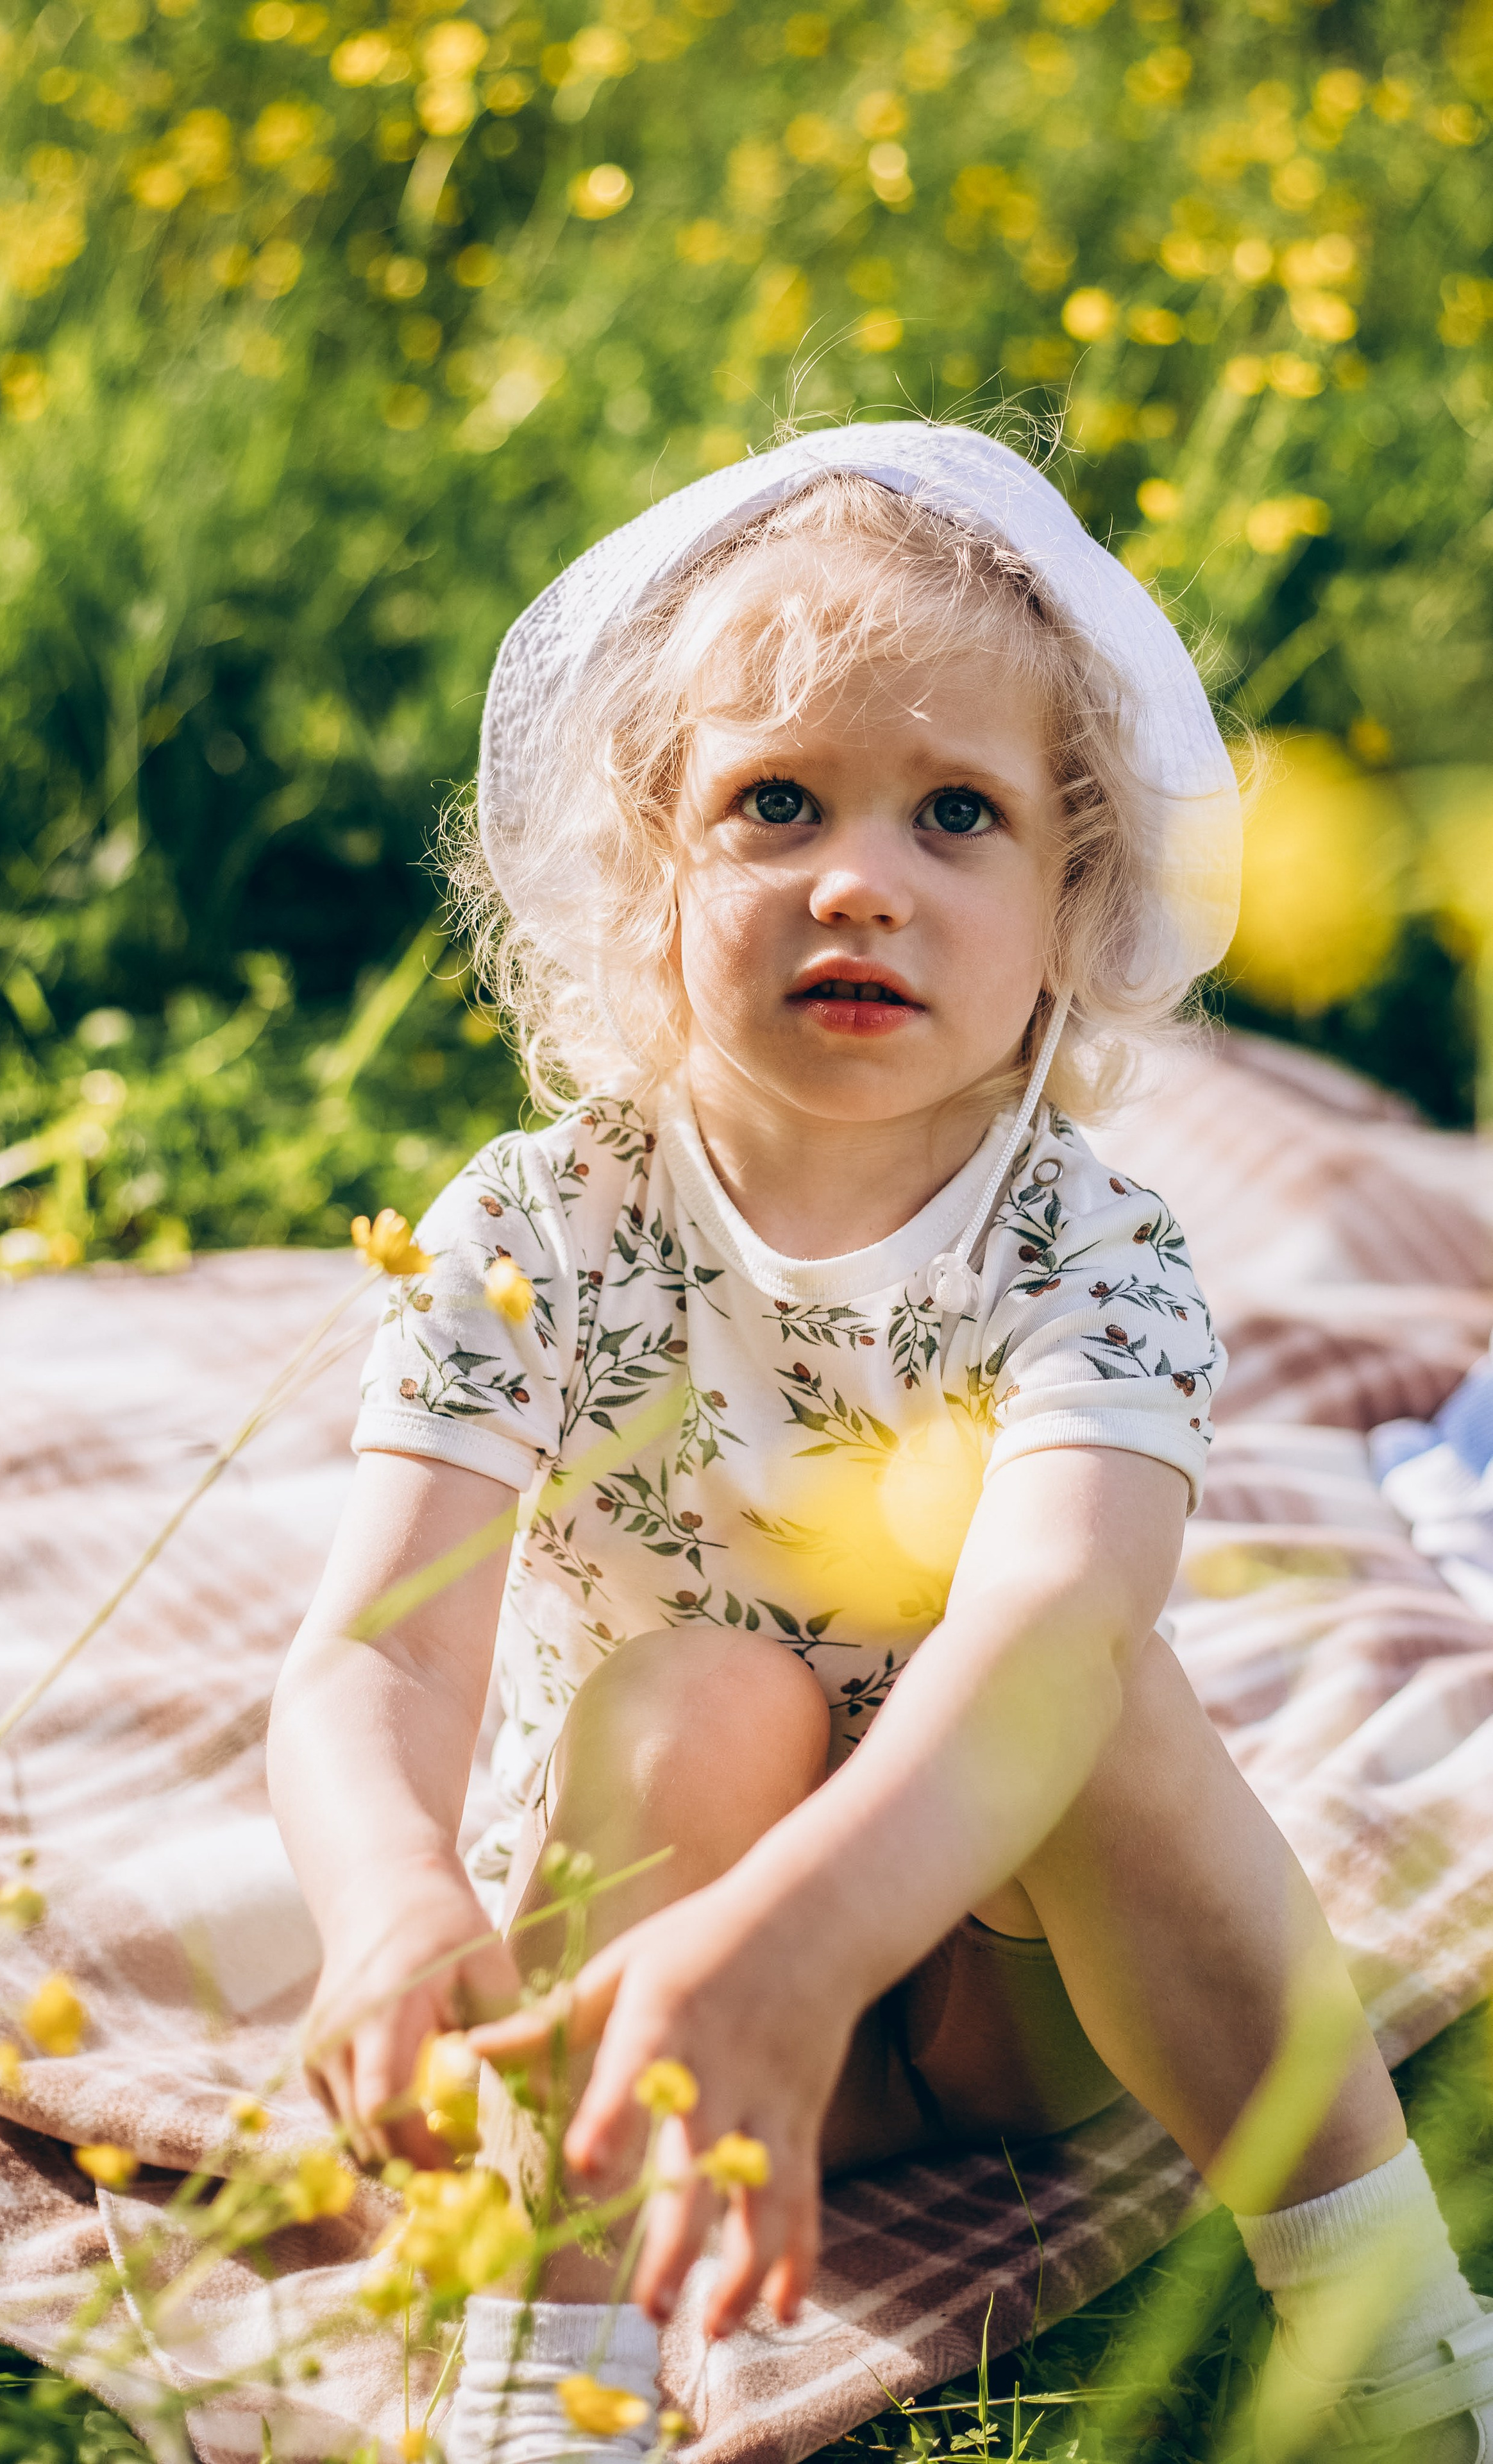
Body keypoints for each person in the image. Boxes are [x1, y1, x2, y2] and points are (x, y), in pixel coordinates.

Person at [267, 424, 1493, 2464]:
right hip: (649, 1997)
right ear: (649, 880)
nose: (862, 876)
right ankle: (563, 2373)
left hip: (1019, 1999)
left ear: (1072, 904)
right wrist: (392, 1898)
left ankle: (1385, 2325)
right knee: (701, 1692)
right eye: (775, 803)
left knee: (1087, 1697)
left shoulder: (1088, 1250)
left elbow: (1047, 1633)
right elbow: (373, 1652)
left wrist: (820, 1937)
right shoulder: (536, 1228)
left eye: (957, 812)